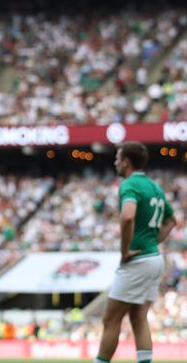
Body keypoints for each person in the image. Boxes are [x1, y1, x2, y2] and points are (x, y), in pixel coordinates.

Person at [94, 141, 177, 363]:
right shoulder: (154, 186)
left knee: (110, 319)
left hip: (138, 260)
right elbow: (172, 221)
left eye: (117, 158)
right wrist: (153, 241)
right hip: (154, 258)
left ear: (127, 162)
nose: (115, 162)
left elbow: (128, 215)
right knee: (139, 318)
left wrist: (125, 250)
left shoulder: (130, 184)